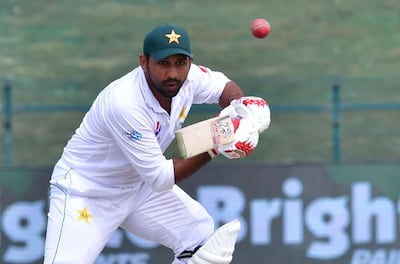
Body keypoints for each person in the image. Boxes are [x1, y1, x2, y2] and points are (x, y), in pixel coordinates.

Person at [44, 23, 270, 264]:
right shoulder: (125, 103)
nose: (173, 74)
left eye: (180, 63)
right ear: (144, 62)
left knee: (200, 239)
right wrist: (218, 139)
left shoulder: (189, 77)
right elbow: (160, 178)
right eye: (163, 64)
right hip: (87, 191)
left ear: (189, 64)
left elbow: (225, 87)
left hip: (137, 186)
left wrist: (239, 111)